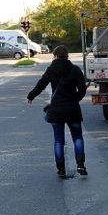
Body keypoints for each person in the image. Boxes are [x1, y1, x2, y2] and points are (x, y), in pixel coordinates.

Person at [26, 45, 88, 178]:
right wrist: (74, 99)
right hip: (72, 110)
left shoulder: (51, 69)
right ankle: (80, 165)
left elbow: (41, 84)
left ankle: (61, 169)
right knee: (77, 137)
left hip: (56, 110)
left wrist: (31, 96)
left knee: (59, 141)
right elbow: (82, 90)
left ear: (55, 56)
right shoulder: (75, 69)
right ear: (67, 56)